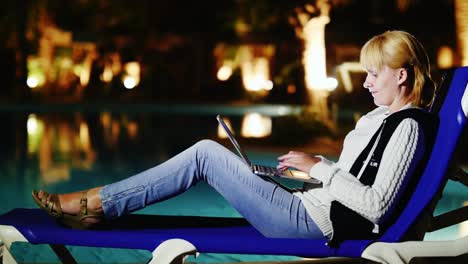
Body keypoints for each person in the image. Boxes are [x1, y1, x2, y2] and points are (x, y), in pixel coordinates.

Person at [32, 30, 437, 242]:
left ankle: (96, 203)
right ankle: (98, 204)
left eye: (373, 73)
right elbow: (350, 181)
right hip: (306, 205)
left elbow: (376, 206)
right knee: (212, 155)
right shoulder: (378, 119)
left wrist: (322, 168)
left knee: (206, 154)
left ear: (401, 75)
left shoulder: (408, 129)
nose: (365, 83)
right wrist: (304, 173)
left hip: (314, 225)